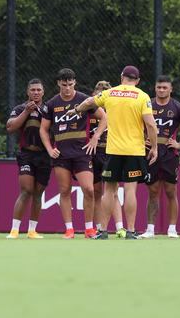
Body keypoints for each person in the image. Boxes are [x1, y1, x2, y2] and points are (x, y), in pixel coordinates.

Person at [66, 65, 158, 240]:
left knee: (109, 190)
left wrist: (77, 110)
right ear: (137, 81)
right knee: (130, 190)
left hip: (113, 149)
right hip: (134, 150)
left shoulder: (110, 93)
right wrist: (154, 147)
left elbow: (89, 102)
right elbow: (151, 125)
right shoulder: (142, 96)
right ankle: (130, 231)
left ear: (121, 77)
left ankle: (102, 231)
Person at [40, 69, 107, 239]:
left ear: (75, 83)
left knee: (89, 189)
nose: (67, 88)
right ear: (58, 84)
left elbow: (104, 118)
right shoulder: (51, 104)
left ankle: (89, 229)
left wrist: (95, 138)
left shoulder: (85, 100)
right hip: (61, 154)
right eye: (64, 85)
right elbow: (44, 129)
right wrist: (49, 148)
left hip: (82, 153)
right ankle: (69, 229)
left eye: (70, 84)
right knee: (64, 190)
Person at [140, 76, 180, 239]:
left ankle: (172, 229)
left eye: (165, 88)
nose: (161, 90)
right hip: (150, 152)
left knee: (170, 191)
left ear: (170, 89)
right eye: (159, 87)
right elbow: (135, 123)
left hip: (169, 154)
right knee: (152, 191)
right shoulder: (147, 104)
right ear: (155, 88)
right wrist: (140, 139)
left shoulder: (178, 107)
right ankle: (150, 229)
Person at [5, 78, 51, 239]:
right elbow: (10, 127)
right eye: (33, 90)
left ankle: (32, 230)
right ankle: (14, 230)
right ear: (27, 92)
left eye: (39, 90)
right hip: (26, 154)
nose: (36, 92)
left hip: (45, 155)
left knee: (38, 193)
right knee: (26, 190)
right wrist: (26, 111)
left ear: (43, 92)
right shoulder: (19, 108)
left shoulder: (48, 109)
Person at [90, 81, 127, 238]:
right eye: (99, 91)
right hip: (92, 152)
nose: (102, 93)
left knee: (113, 191)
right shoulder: (90, 110)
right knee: (96, 191)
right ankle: (100, 227)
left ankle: (120, 228)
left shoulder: (116, 110)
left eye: (105, 91)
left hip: (111, 151)